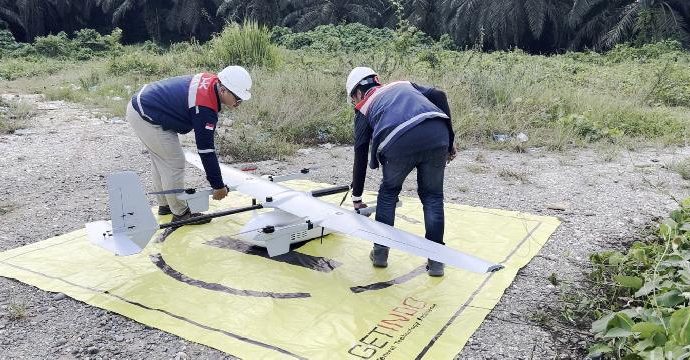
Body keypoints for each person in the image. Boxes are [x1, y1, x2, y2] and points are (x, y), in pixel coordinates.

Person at [346, 67, 457, 277]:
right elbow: (439, 95)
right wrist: (450, 141)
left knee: (388, 193)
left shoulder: (364, 107)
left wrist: (357, 196)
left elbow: (360, 152)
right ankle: (436, 263)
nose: (354, 103)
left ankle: (380, 254)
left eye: (353, 99)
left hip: (399, 142)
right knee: (433, 197)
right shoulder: (402, 84)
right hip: (436, 134)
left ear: (358, 93)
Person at [126, 65, 252, 223]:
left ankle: (165, 205)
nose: (238, 103)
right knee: (174, 162)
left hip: (143, 106)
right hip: (146, 114)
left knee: (161, 160)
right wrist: (218, 185)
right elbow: (206, 150)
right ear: (223, 90)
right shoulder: (205, 106)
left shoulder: (212, 81)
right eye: (238, 98)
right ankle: (181, 214)